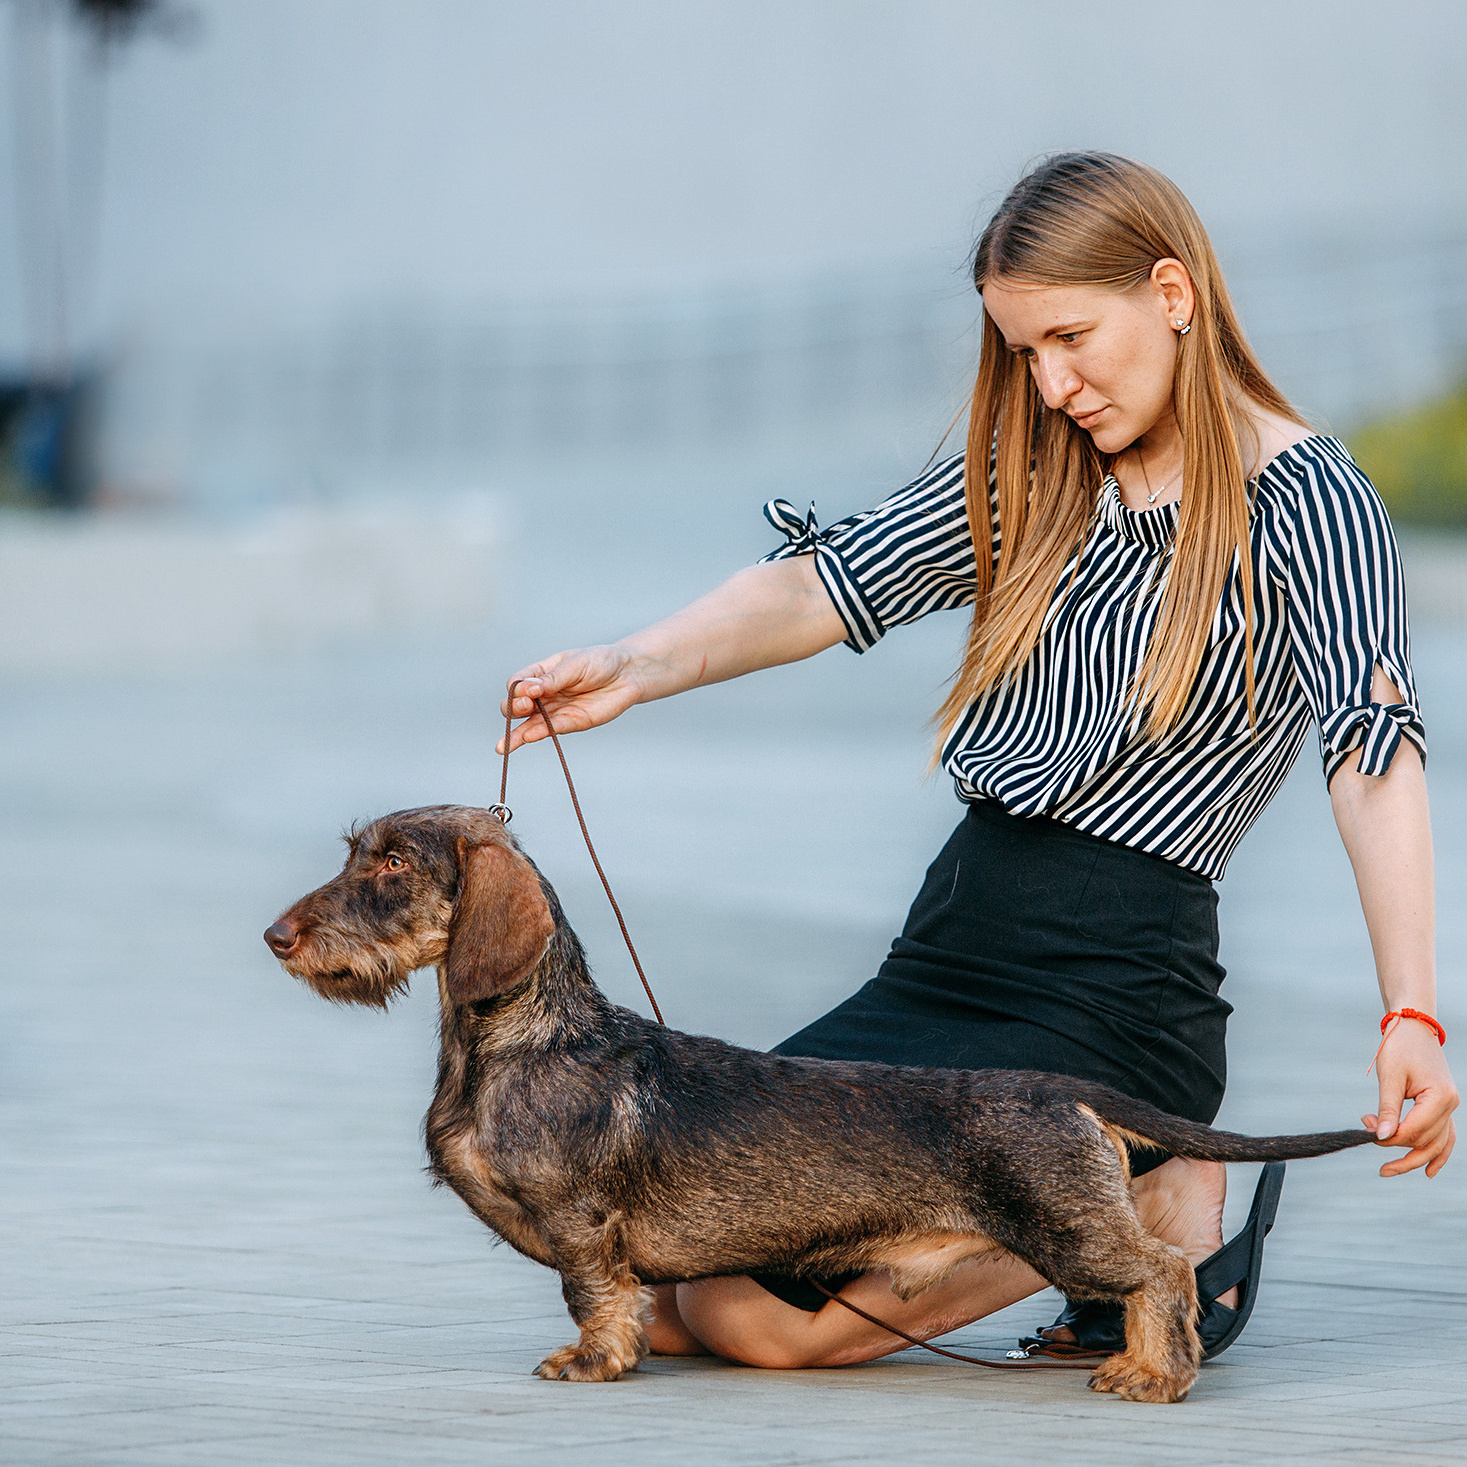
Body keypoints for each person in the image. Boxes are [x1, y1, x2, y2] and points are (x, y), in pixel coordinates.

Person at [498, 152, 1458, 1370]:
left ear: (1172, 293)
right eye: (1023, 352)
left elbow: (1374, 759)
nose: (1052, 384)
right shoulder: (1036, 471)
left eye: (1072, 337)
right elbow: (824, 584)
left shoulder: (1311, 500)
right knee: (677, 1253)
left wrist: (1411, 1010)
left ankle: (1155, 1187)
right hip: (949, 945)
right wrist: (636, 665)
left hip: (1113, 984)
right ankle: (1116, 1189)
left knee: (755, 1325)